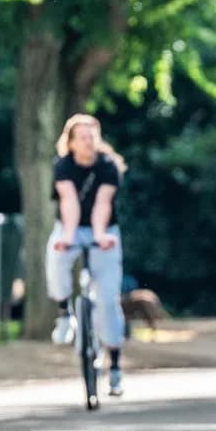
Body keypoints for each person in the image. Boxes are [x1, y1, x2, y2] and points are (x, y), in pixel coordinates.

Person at [46, 114, 128, 396]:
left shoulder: (108, 166)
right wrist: (68, 238)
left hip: (104, 229)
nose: (88, 140)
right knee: (56, 255)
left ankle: (115, 366)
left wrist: (100, 235)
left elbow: (103, 203)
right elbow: (68, 200)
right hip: (70, 226)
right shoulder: (63, 166)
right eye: (82, 136)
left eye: (92, 135)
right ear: (70, 142)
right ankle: (64, 312)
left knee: (107, 300)